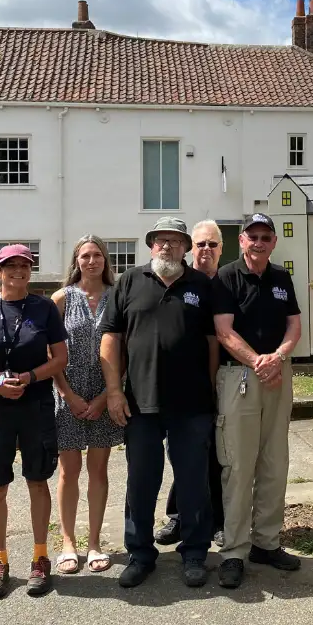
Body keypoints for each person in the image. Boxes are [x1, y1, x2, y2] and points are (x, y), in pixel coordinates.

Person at [99, 217, 218, 589]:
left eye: (174, 241)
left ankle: (196, 552)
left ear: (186, 247)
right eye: (160, 241)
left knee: (194, 481)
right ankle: (139, 553)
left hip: (192, 403)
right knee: (141, 482)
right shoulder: (130, 282)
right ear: (151, 245)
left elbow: (213, 343)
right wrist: (114, 392)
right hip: (139, 403)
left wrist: (211, 391)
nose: (167, 247)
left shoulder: (201, 285)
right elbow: (110, 338)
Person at [0, 244, 69, 600]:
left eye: (25, 266)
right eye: (11, 266)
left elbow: (60, 358)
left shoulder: (44, 308)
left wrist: (29, 377)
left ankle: (40, 557)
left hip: (34, 405)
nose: (18, 272)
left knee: (37, 480)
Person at [213, 213, 302, 589]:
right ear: (242, 241)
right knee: (238, 465)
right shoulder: (226, 277)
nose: (259, 242)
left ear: (273, 242)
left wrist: (277, 358)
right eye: (253, 236)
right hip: (240, 378)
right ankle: (234, 550)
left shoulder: (282, 277)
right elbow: (223, 331)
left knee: (274, 461)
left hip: (277, 375)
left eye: (266, 236)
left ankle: (266, 542)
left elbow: (294, 325)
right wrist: (257, 362)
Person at [51, 235, 124, 575]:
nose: (91, 261)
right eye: (85, 256)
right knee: (69, 470)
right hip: (67, 393)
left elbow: (125, 350)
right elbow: (47, 352)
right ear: (76, 261)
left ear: (105, 260)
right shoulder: (62, 299)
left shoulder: (118, 297)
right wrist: (66, 393)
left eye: (97, 255)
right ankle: (68, 542)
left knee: (98, 469)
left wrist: (103, 397)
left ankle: (94, 542)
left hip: (104, 393)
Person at [156, 220, 227, 548]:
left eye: (213, 245)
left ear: (222, 249)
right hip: (187, 385)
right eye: (201, 244)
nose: (206, 250)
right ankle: (178, 516)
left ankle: (217, 520)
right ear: (190, 249)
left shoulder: (228, 282)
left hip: (226, 378)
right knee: (184, 455)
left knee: (216, 454)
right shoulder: (180, 282)